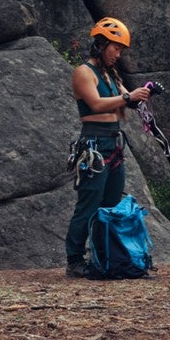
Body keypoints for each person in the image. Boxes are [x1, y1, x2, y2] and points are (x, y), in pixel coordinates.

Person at [66, 17, 154, 278]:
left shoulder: (110, 74)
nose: (118, 54)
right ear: (102, 44)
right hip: (94, 142)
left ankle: (103, 256)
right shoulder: (84, 72)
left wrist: (146, 93)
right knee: (89, 203)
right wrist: (128, 96)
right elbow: (96, 104)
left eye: (121, 50)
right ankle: (74, 259)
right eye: (116, 48)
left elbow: (128, 101)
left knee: (111, 203)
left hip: (113, 142)